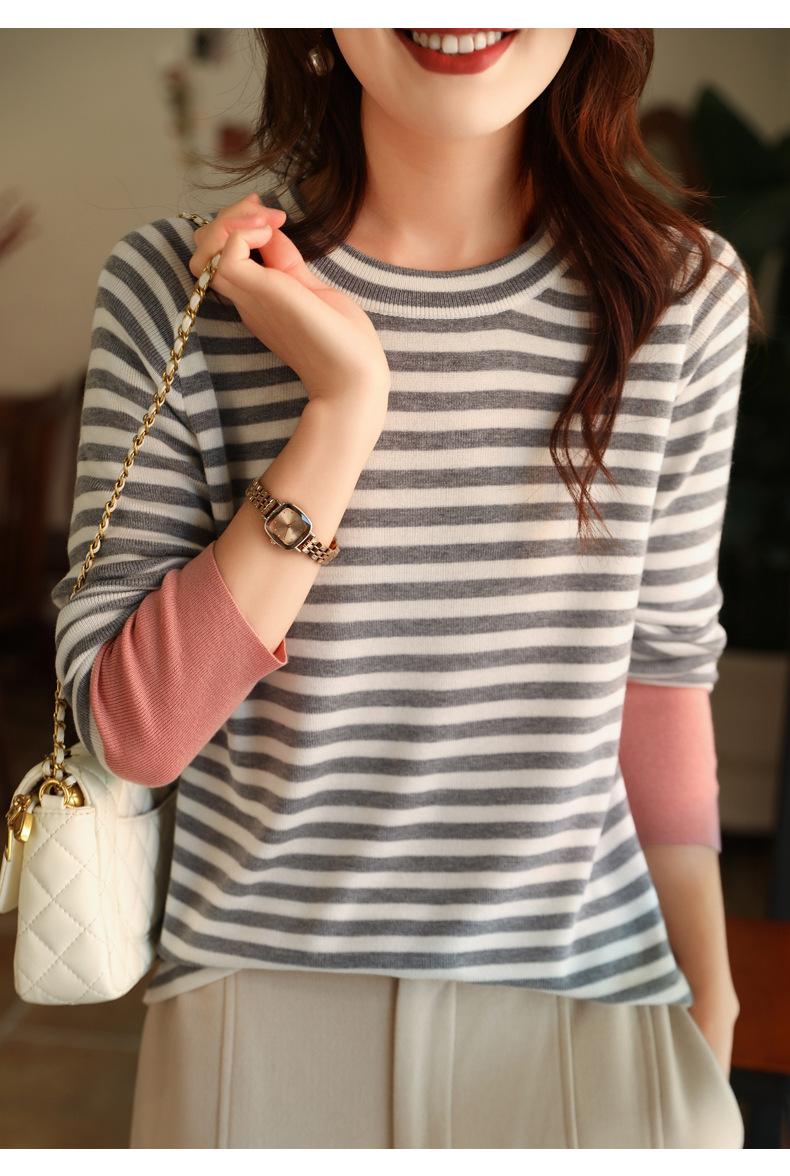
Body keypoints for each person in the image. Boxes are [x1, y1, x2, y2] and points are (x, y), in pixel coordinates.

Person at [52, 28, 762, 1148]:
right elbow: (131, 731)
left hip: (592, 1009)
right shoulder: (178, 287)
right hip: (258, 1013)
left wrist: (708, 1003)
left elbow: (660, 672)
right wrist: (342, 411)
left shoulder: (679, 293)